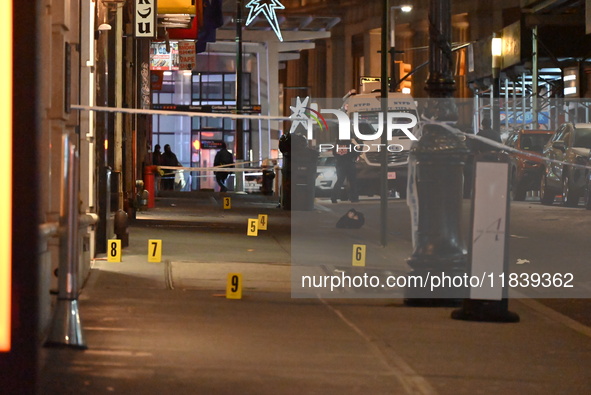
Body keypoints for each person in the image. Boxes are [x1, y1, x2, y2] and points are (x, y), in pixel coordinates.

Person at [331, 139, 360, 203]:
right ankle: (354, 198)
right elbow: (356, 153)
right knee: (352, 182)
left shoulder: (337, 145)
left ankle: (334, 197)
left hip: (340, 165)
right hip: (349, 164)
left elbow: (334, 154)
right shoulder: (351, 145)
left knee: (339, 181)